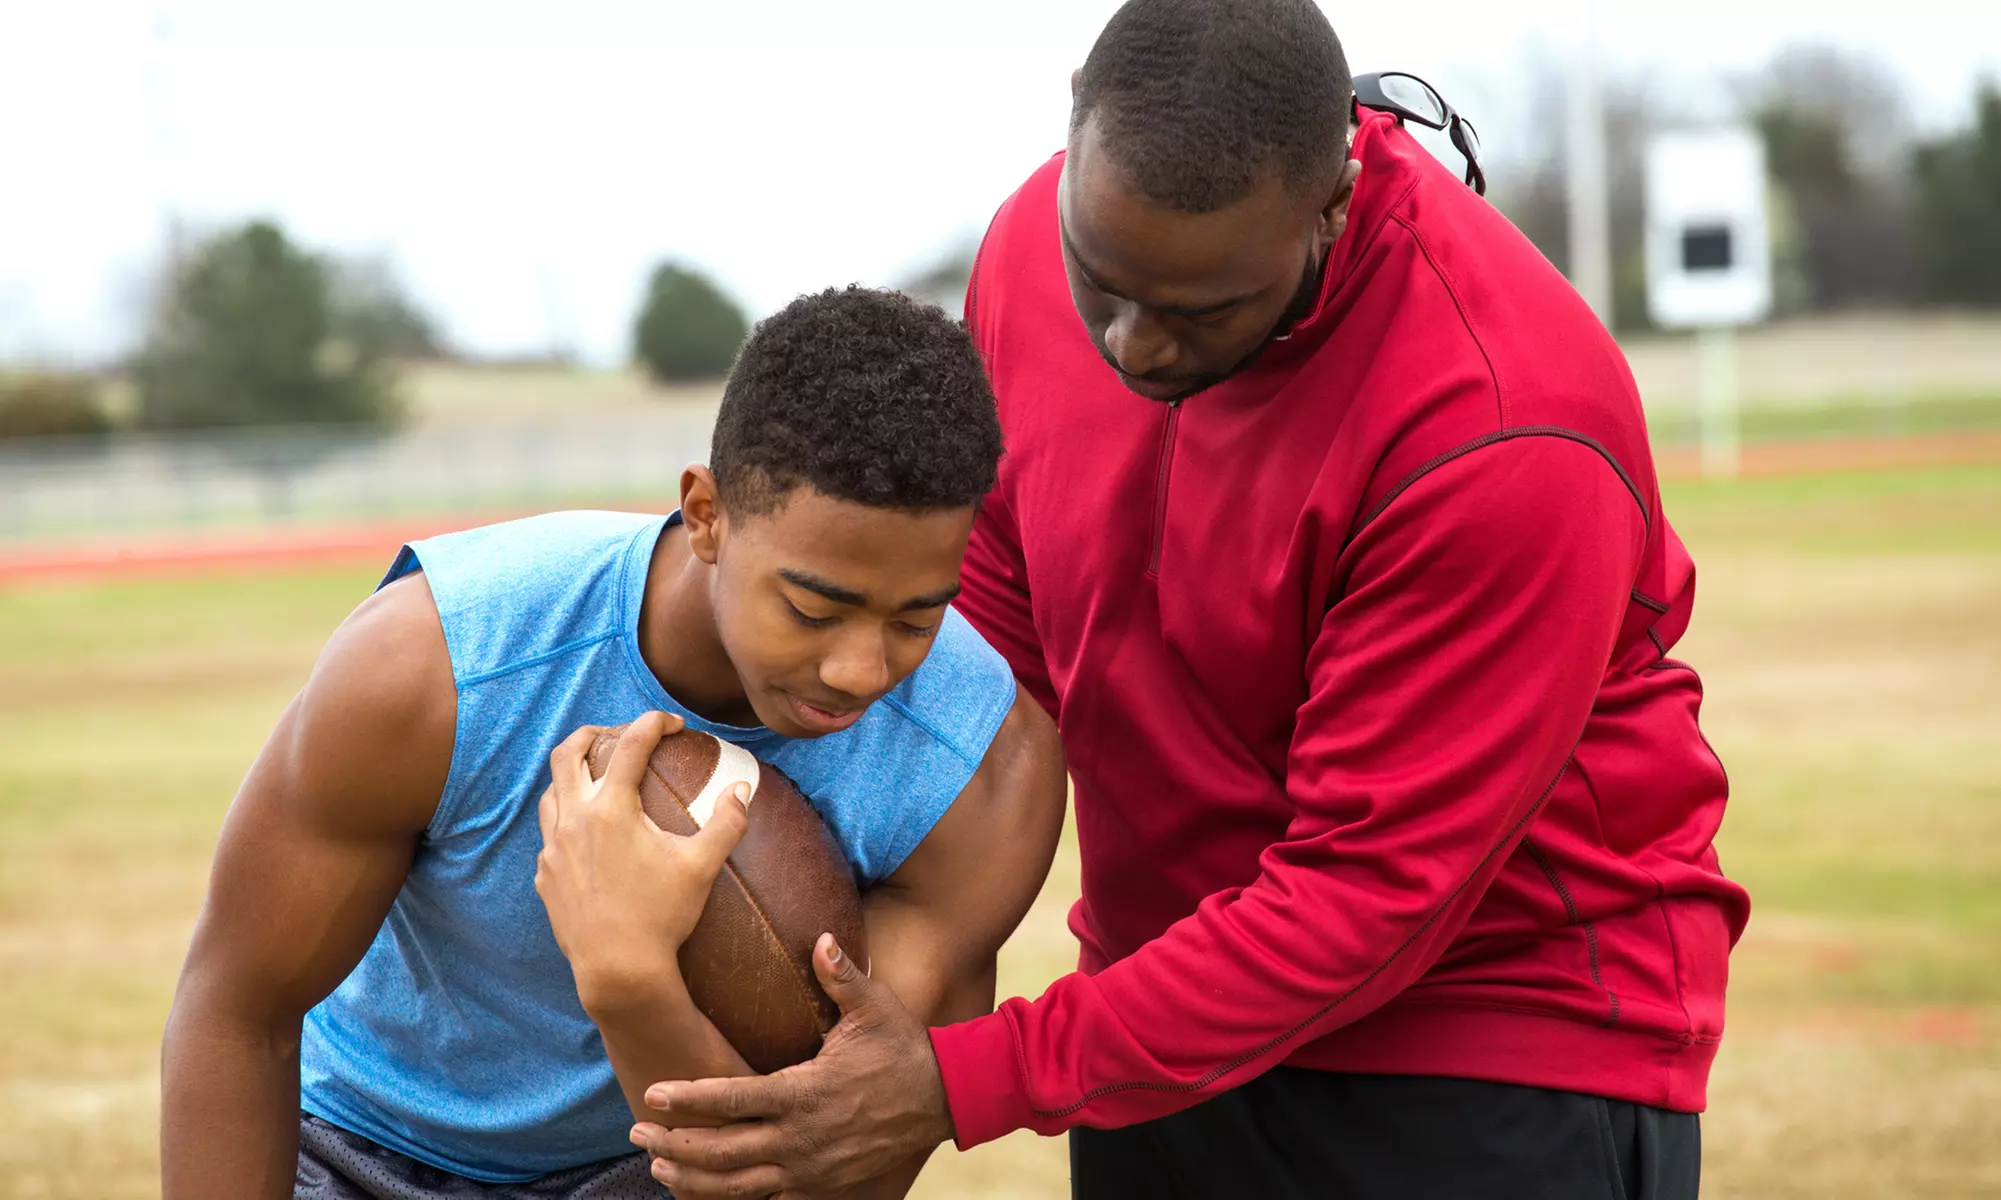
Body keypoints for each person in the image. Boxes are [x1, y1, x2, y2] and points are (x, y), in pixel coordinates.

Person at [629, 3, 1750, 1198]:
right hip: (1164, 1030)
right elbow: (993, 680)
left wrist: (963, 1078)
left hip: (1492, 1040)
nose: (1134, 347)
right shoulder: (1022, 251)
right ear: (1074, 115)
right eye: (1100, 283)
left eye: (1203, 313)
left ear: (1332, 199)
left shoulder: (1500, 416)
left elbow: (1367, 898)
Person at [159, 286, 1067, 1199]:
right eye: (812, 608)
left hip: (657, 1175)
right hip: (362, 1149)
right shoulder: (439, 662)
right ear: (705, 513)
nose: (861, 671)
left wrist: (627, 970)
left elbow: (822, 1183)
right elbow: (240, 1013)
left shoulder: (983, 769)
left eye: (917, 618)